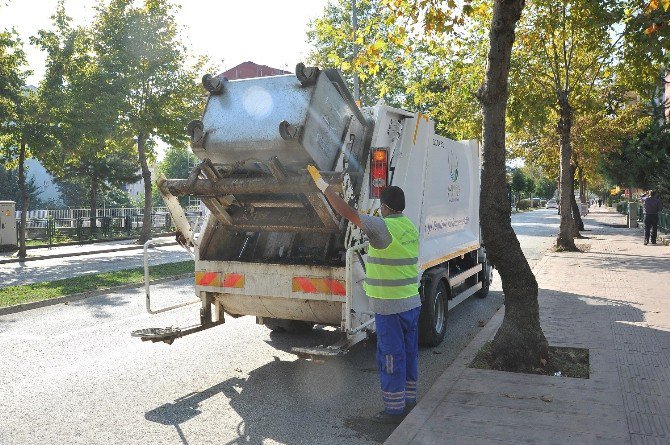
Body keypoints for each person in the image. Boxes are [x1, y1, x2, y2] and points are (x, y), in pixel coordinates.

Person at [307, 165, 421, 425]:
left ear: (386, 207)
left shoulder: (382, 228)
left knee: (390, 356)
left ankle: (394, 411)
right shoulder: (408, 226)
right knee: (409, 353)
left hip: (389, 308)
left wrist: (324, 186)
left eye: (381, 206)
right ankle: (409, 400)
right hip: (411, 303)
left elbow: (347, 213)